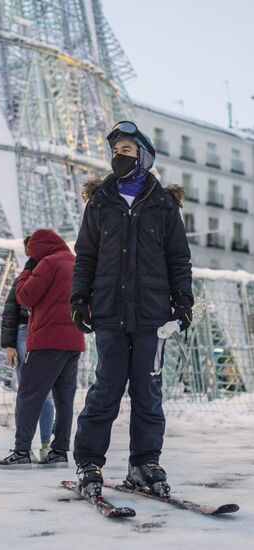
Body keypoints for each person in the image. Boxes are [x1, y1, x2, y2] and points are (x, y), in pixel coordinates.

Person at [71, 121, 193, 497]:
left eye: (126, 150)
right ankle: (89, 462)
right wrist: (79, 298)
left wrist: (183, 302)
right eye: (115, 151)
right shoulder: (101, 202)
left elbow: (178, 258)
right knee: (105, 389)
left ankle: (144, 463)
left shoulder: (163, 204)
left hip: (153, 317)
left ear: (143, 156)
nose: (118, 156)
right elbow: (85, 257)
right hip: (109, 312)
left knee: (148, 391)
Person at [0, 229, 85, 469]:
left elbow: (24, 296)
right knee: (64, 398)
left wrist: (27, 270)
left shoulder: (47, 263)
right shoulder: (76, 263)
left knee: (29, 394)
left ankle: (22, 451)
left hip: (47, 340)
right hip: (73, 340)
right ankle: (59, 451)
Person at [0, 236, 55, 462]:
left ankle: (41, 444)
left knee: (39, 393)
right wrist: (10, 344)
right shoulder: (27, 275)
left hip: (42, 333)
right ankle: (30, 446)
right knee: (32, 392)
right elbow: (11, 310)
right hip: (27, 332)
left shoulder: (51, 272)